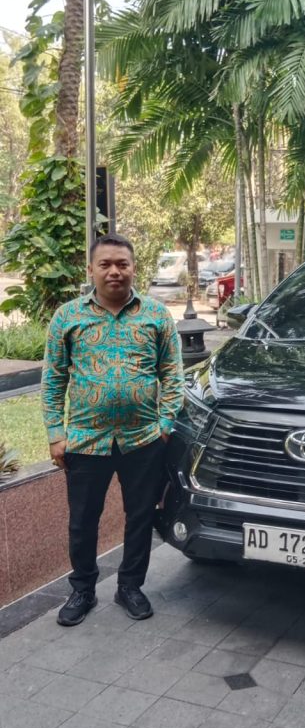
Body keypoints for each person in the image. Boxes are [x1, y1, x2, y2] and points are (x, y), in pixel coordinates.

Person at [41, 233, 184, 627]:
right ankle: (82, 590)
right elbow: (53, 380)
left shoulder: (156, 315)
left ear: (134, 268)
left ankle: (130, 587)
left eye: (122, 264)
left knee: (140, 516)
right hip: (85, 440)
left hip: (144, 440)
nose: (114, 271)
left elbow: (173, 375)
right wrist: (56, 433)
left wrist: (165, 426)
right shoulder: (67, 317)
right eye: (105, 264)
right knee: (83, 521)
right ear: (91, 270)